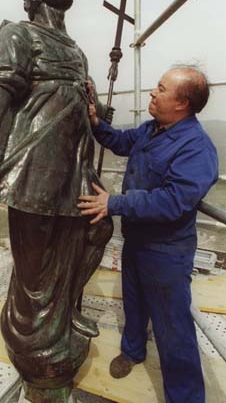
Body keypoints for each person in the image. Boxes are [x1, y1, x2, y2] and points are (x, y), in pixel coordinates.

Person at [0, 0, 113, 398]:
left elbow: (85, 109)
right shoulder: (19, 34)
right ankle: (37, 357)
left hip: (73, 167)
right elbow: (1, 86)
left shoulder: (76, 49)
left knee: (97, 229)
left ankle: (65, 313)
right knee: (34, 270)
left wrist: (96, 110)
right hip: (34, 166)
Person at [78, 65, 218, 403]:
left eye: (161, 88)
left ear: (182, 103)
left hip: (167, 250)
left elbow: (174, 201)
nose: (152, 93)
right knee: (135, 301)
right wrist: (96, 121)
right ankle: (133, 351)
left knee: (173, 328)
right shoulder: (153, 129)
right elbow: (120, 141)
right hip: (137, 240)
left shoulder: (197, 149)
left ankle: (185, 397)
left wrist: (115, 202)